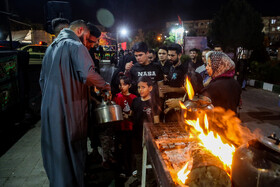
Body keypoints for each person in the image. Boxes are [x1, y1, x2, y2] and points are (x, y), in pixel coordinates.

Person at [39, 20, 110, 187]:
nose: (89, 46)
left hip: (49, 110)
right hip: (68, 110)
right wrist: (105, 85)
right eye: (89, 40)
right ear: (80, 31)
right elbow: (88, 74)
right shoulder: (76, 45)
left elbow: (42, 80)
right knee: (72, 151)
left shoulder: (50, 48)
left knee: (56, 154)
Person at [130, 77, 159, 182]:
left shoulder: (154, 102)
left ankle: (151, 179)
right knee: (138, 157)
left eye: (143, 87)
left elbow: (156, 122)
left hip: (149, 136)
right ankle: (139, 178)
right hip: (136, 134)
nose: (140, 90)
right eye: (138, 87)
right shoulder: (135, 101)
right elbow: (131, 115)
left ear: (150, 88)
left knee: (150, 158)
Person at [113, 75, 137, 175]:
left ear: (129, 85)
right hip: (120, 128)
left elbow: (135, 113)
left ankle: (132, 169)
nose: (121, 87)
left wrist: (128, 115)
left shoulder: (134, 98)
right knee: (122, 149)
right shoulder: (116, 97)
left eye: (124, 84)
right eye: (120, 84)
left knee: (131, 149)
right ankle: (123, 169)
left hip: (131, 128)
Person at [160, 43, 188, 122]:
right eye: (168, 55)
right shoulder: (171, 67)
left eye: (172, 56)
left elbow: (187, 90)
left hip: (178, 106)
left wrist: (171, 89)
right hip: (169, 105)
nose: (169, 58)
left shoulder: (184, 70)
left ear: (179, 55)